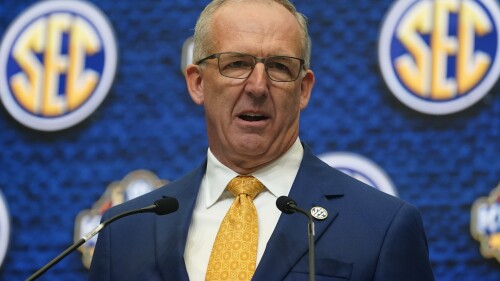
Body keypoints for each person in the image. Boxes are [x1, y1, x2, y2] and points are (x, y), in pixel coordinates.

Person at [88, 0, 435, 280]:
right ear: (197, 83)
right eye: (236, 63)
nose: (257, 87)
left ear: (304, 89)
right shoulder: (125, 232)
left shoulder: (381, 227)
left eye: (280, 67)